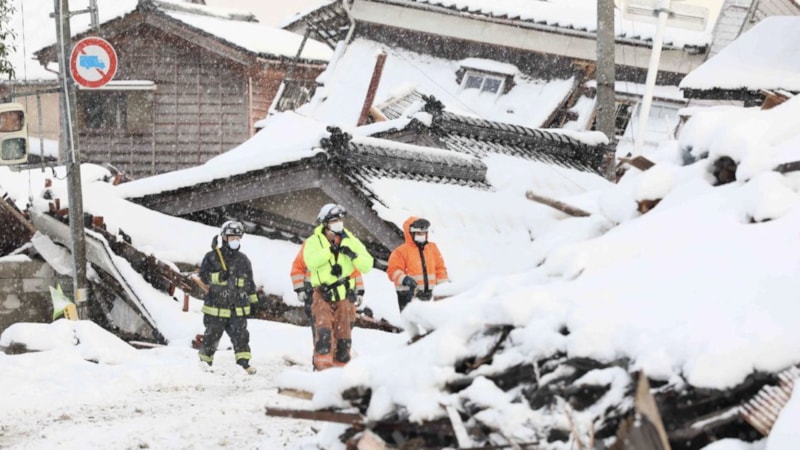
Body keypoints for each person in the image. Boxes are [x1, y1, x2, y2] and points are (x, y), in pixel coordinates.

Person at [303, 203, 373, 370]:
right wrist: (330, 249)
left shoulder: (351, 241)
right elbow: (311, 263)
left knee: (344, 338)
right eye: (334, 220)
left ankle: (340, 372)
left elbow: (368, 265)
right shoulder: (313, 242)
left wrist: (352, 255)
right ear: (325, 223)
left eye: (340, 220)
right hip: (323, 294)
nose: (338, 224)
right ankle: (322, 370)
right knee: (324, 334)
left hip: (344, 295)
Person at [198, 220, 259, 374]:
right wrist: (218, 277)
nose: (235, 241)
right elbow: (204, 277)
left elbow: (249, 283)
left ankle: (244, 364)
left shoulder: (243, 260)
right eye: (232, 238)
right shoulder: (212, 257)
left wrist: (254, 303)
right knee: (211, 337)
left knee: (241, 337)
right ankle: (204, 365)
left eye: (238, 238)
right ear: (224, 238)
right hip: (216, 308)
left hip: (237, 309)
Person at [387, 216, 449, 312]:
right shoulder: (400, 252)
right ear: (410, 233)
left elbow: (440, 269)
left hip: (431, 296)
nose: (422, 235)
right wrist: (405, 279)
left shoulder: (432, 248)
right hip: (409, 296)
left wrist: (443, 289)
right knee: (413, 325)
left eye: (424, 233)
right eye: (419, 233)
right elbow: (393, 270)